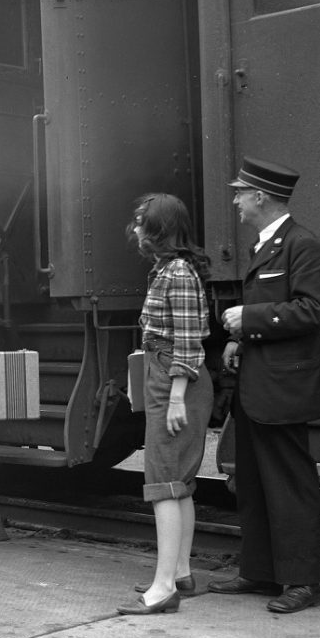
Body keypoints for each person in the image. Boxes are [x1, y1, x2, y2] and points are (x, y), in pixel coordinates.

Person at [209, 157, 320, 614]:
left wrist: (249, 318)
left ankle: (302, 583)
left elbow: (315, 311)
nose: (236, 202)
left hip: (282, 391)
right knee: (257, 482)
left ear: (260, 197)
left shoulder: (303, 245)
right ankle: (260, 572)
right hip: (259, 385)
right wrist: (240, 340)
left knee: (289, 486)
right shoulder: (267, 245)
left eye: (240, 194)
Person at [116, 194, 212, 616]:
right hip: (166, 373)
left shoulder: (178, 273)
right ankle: (181, 573)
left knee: (163, 483)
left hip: (175, 378)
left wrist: (175, 398)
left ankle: (162, 588)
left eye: (141, 222)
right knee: (179, 482)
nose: (135, 229)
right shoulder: (167, 270)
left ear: (158, 228)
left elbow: (189, 345)